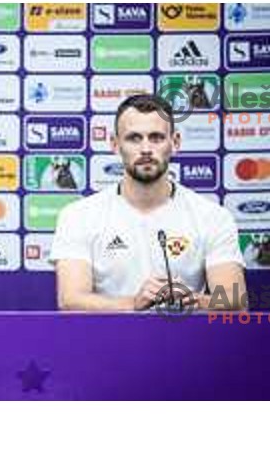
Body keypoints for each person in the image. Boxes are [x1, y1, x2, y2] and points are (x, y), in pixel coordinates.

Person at [50, 95, 247, 312]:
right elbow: (71, 301)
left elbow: (236, 302)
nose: (145, 149)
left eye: (156, 138)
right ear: (115, 145)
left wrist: (192, 299)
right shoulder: (78, 216)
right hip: (109, 342)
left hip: (186, 342)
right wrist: (133, 304)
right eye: (134, 138)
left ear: (175, 142)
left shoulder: (212, 216)